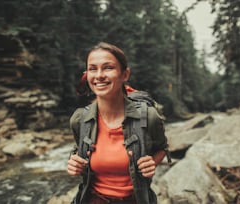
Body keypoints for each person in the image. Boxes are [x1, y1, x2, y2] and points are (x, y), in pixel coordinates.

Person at [67, 42, 169, 204]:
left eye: (108, 68)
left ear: (125, 74)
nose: (99, 75)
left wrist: (152, 163)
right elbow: (77, 150)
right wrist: (73, 161)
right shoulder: (80, 119)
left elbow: (162, 148)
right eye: (93, 69)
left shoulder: (148, 117)